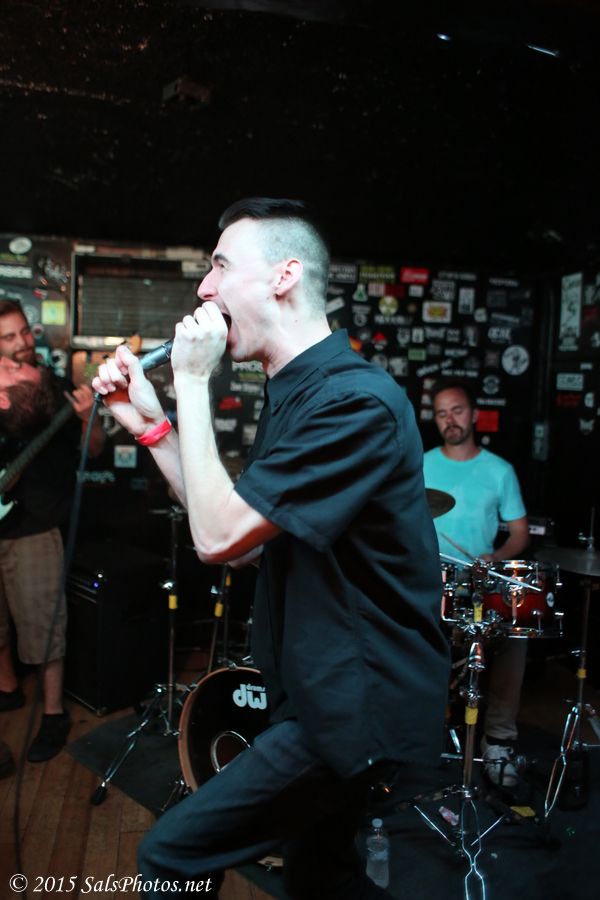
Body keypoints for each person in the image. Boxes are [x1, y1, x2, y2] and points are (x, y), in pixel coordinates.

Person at [92, 197, 450, 899]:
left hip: (357, 710)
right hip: (320, 695)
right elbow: (241, 543)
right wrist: (153, 428)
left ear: (285, 275)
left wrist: (192, 380)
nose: (204, 288)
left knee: (169, 854)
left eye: (220, 266)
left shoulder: (353, 402)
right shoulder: (294, 393)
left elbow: (215, 538)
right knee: (321, 878)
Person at [0, 301, 105, 763]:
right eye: (9, 338)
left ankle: (54, 713)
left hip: (37, 523)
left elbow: (95, 449)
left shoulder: (52, 384)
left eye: (24, 332)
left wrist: (85, 418)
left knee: (43, 625)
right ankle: (7, 688)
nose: (22, 343)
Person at [423, 377, 530, 788]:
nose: (450, 420)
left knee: (514, 635)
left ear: (474, 415)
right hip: (429, 580)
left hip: (479, 584)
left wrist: (495, 558)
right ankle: (415, 732)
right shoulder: (422, 464)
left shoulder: (499, 471)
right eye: (441, 413)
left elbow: (519, 533)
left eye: (457, 410)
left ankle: (498, 741)